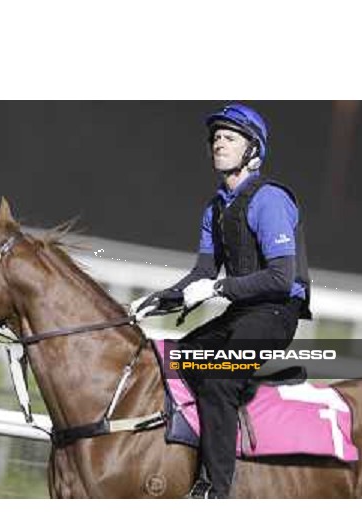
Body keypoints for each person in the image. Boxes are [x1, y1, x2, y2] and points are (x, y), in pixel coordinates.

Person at [131, 103, 312, 498]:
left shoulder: (270, 200)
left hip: (276, 312)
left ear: (253, 151)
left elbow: (281, 279)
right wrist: (163, 299)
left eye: (230, 138)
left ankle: (217, 490)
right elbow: (202, 274)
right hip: (242, 310)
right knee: (176, 359)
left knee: (216, 377)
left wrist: (217, 290)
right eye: (216, 137)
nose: (219, 143)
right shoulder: (215, 207)